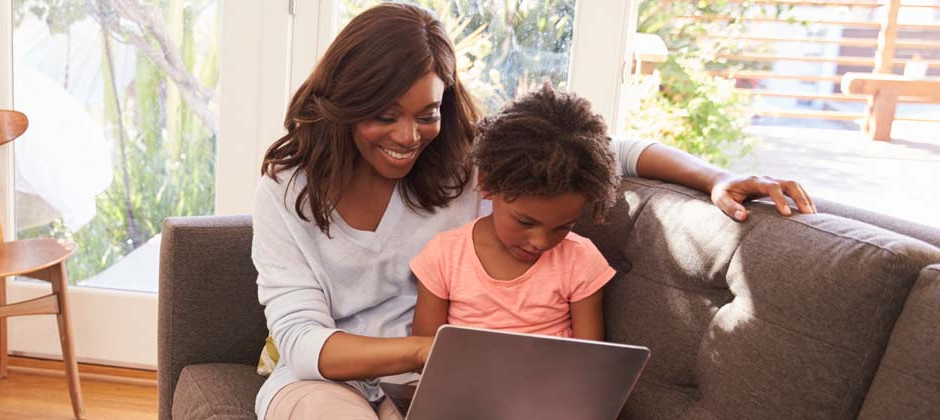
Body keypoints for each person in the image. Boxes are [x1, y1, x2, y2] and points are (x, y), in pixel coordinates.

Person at [252, 3, 816, 420]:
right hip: (334, 385)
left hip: (461, 391)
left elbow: (606, 148)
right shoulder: (288, 191)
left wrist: (716, 177)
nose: (409, 136)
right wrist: (437, 351)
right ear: (345, 103)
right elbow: (302, 342)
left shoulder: (471, 164)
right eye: (383, 115)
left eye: (427, 113)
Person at [410, 86, 619, 342]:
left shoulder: (581, 261)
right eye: (525, 222)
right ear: (487, 184)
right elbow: (423, 354)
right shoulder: (444, 256)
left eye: (563, 227)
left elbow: (590, 360)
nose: (541, 242)